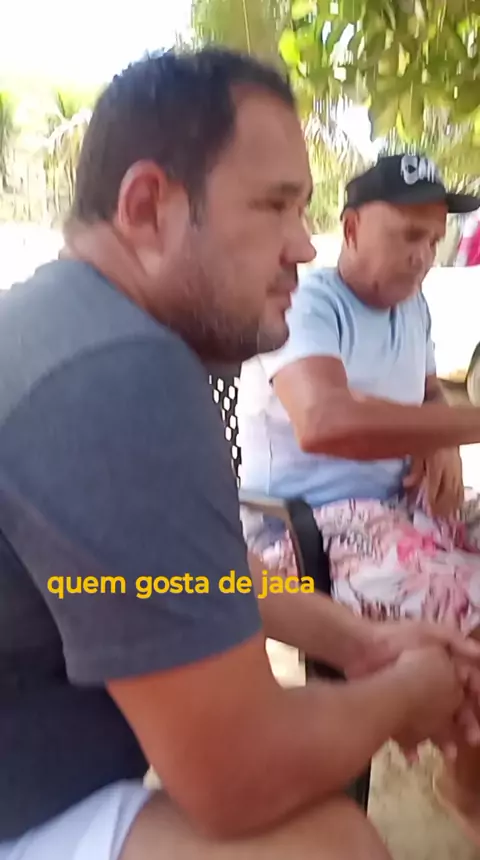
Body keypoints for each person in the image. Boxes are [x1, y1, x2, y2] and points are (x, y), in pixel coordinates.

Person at [1, 53, 480, 860]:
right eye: (275, 205)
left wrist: (358, 643)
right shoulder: (117, 375)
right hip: (25, 806)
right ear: (148, 208)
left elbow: (182, 577)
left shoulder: (70, 325)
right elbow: (240, 775)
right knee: (331, 849)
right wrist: (407, 694)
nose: (302, 245)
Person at [237, 152, 480, 844]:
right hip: (308, 531)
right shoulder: (310, 303)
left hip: (405, 513)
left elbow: (427, 391)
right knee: (469, 605)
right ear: (349, 228)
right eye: (407, 235)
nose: (424, 256)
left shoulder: (413, 306)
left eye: (433, 239)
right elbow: (325, 420)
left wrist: (443, 439)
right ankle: (469, 789)